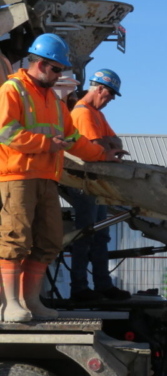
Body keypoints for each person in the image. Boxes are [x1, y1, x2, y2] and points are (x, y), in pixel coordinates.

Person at [0, 33, 126, 322]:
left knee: (48, 241)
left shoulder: (55, 102)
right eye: (57, 69)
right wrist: (46, 144)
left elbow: (74, 139)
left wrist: (102, 155)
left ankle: (31, 301)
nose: (60, 76)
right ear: (41, 64)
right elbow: (5, 132)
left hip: (46, 177)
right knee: (15, 239)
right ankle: (9, 304)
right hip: (17, 174)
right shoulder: (13, 90)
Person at [63, 69, 131, 302]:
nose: (110, 99)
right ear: (99, 88)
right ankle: (80, 288)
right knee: (86, 235)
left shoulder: (96, 114)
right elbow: (97, 148)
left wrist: (106, 146)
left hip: (94, 183)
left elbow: (114, 143)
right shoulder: (83, 113)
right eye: (110, 94)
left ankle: (102, 285)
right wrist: (106, 147)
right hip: (84, 182)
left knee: (99, 235)